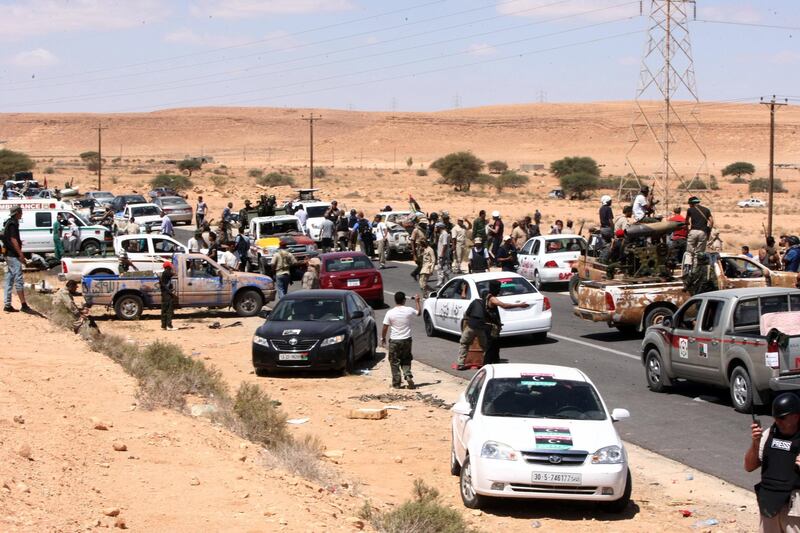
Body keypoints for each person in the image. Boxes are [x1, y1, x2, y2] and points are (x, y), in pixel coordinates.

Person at [744, 393, 800, 532]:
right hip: (769, 502)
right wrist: (756, 443)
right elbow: (749, 466)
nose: (777, 422)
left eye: (782, 418)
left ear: (796, 416)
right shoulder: (770, 434)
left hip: (794, 508)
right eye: (775, 418)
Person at [482, 279, 529, 366]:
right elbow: (504, 306)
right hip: (490, 327)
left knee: (495, 347)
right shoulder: (492, 299)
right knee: (491, 348)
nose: (499, 290)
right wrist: (519, 305)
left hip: (490, 326)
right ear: (494, 289)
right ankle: (486, 366)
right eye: (498, 288)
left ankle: (496, 364)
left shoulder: (485, 295)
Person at [381, 291, 421, 389]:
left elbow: (385, 327)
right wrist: (417, 301)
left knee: (394, 361)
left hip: (395, 341)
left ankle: (397, 383)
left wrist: (383, 338)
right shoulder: (409, 310)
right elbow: (419, 313)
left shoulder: (390, 312)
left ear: (395, 300)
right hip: (407, 340)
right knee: (406, 359)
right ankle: (407, 375)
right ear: (404, 300)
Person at [3, 206, 30, 313]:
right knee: (18, 279)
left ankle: (7, 304)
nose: (22, 214)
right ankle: (24, 304)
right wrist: (20, 254)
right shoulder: (13, 224)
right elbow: (13, 240)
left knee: (9, 279)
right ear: (17, 213)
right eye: (21, 212)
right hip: (12, 255)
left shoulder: (8, 223)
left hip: (7, 254)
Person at [685, 196, 713, 268]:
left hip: (693, 231)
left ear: (691, 203)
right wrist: (708, 231)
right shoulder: (706, 210)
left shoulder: (690, 210)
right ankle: (695, 268)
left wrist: (688, 230)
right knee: (699, 253)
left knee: (689, 252)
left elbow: (686, 221)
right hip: (702, 232)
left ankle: (687, 268)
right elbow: (711, 221)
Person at [159, 261, 177, 331]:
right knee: (169, 310)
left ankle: (164, 325)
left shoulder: (164, 273)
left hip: (164, 294)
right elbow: (175, 273)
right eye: (170, 266)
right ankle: (169, 326)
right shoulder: (167, 272)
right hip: (167, 294)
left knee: (164, 310)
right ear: (168, 267)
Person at [435, 222, 451, 288]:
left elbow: (444, 244)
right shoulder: (443, 234)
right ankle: (447, 282)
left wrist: (442, 254)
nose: (435, 229)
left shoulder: (444, 234)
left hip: (442, 255)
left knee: (440, 268)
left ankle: (441, 282)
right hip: (442, 254)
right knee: (443, 269)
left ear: (439, 227)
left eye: (436, 227)